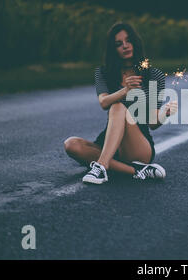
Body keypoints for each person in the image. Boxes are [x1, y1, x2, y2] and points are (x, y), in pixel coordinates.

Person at [64, 22, 177, 184]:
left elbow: (152, 123)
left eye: (128, 41)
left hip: (138, 146)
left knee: (117, 106)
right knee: (71, 145)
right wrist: (125, 90)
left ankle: (101, 166)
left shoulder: (153, 75)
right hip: (110, 143)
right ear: (113, 49)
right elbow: (103, 102)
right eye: (119, 44)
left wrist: (164, 114)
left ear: (135, 43)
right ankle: (136, 171)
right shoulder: (103, 73)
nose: (125, 46)